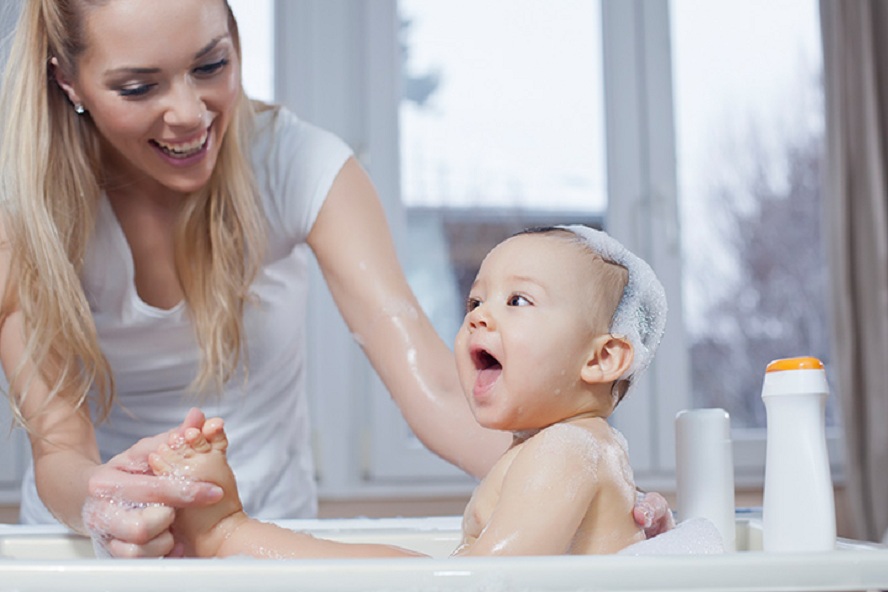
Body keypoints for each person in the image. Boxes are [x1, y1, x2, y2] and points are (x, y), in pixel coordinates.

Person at [0, 0, 671, 558]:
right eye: (138, 87)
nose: (189, 113)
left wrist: (586, 487)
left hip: (268, 541)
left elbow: (439, 386)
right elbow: (59, 451)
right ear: (68, 79)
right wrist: (105, 500)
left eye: (210, 65)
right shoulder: (21, 214)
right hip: (85, 548)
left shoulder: (296, 164)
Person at [147, 225, 666, 558]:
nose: (480, 316)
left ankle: (227, 533)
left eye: (518, 301)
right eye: (476, 302)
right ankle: (227, 533)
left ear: (602, 359)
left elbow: (488, 584)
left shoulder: (564, 450)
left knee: (386, 571)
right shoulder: (574, 449)